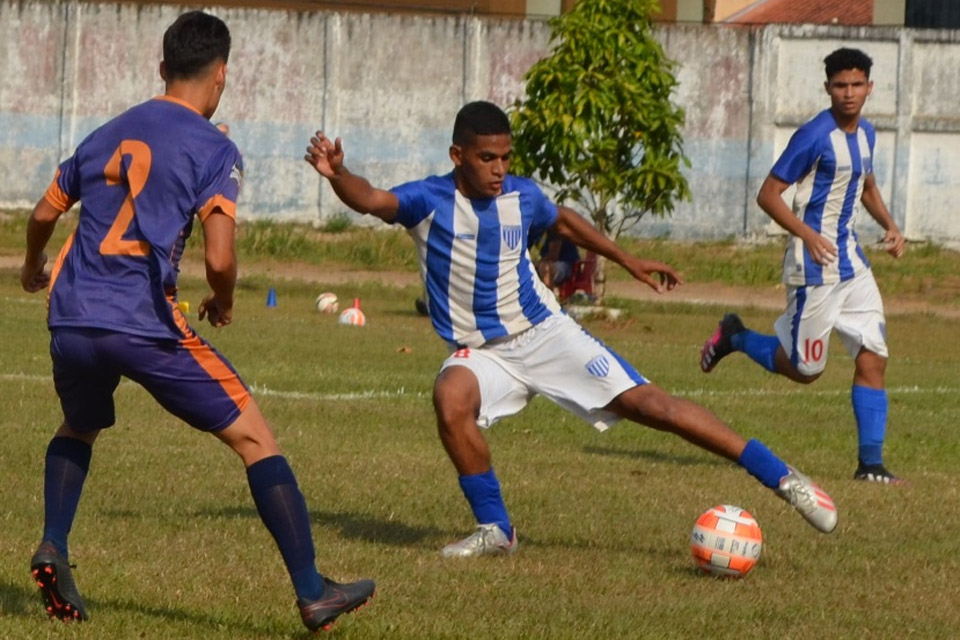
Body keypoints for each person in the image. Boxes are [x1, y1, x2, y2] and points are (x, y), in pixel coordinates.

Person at [304, 100, 838, 558]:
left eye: (505, 157)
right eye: (487, 157)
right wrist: (339, 176)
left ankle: (783, 478)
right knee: (450, 396)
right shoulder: (429, 200)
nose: (498, 168)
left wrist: (629, 261)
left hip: (545, 335)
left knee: (654, 408)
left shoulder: (522, 195)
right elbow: (372, 199)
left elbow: (562, 220)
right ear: (457, 156)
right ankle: (497, 530)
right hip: (483, 353)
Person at [20, 11, 373, 631]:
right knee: (256, 440)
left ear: (162, 69)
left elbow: (45, 214)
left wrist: (30, 266)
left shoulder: (104, 133)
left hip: (71, 318)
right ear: (222, 75)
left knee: (78, 426)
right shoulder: (216, 149)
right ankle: (314, 590)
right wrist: (226, 300)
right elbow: (219, 258)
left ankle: (54, 542)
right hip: (144, 322)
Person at [700, 48, 905, 485]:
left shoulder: (867, 133)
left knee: (874, 356)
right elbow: (769, 194)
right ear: (827, 87)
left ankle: (870, 465)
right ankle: (735, 337)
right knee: (807, 371)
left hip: (853, 264)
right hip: (812, 269)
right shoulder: (814, 136)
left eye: (856, 85)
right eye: (839, 85)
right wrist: (807, 234)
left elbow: (865, 184)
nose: (848, 94)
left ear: (870, 87)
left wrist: (890, 224)